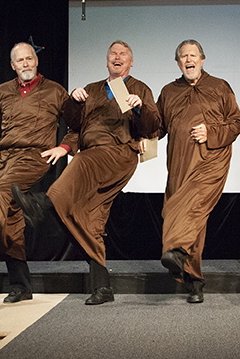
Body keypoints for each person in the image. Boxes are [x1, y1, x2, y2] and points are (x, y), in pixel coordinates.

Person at [12, 40, 161, 305]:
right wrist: (75, 101)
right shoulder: (92, 89)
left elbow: (152, 127)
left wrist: (140, 107)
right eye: (113, 53)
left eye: (123, 54)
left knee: (80, 161)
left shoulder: (139, 88)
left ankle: (41, 203)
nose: (117, 57)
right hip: (93, 154)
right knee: (89, 218)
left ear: (131, 62)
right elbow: (74, 124)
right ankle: (103, 287)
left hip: (117, 154)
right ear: (107, 60)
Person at [0, 42, 77, 303]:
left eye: (29, 58)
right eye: (20, 61)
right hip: (5, 160)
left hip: (34, 157)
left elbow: (77, 124)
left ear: (36, 61)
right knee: (10, 222)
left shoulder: (55, 91)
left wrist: (64, 147)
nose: (26, 64)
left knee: (2, 191)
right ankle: (21, 285)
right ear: (13, 65)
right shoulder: (2, 91)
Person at [156, 40, 240, 303]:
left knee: (192, 209)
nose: (188, 60)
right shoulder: (168, 91)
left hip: (210, 161)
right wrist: (141, 135)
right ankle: (191, 276)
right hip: (180, 164)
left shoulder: (220, 86)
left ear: (202, 59)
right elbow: (158, 127)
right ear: (178, 62)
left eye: (193, 55)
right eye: (183, 56)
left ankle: (180, 258)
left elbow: (237, 123)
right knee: (183, 214)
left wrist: (211, 132)